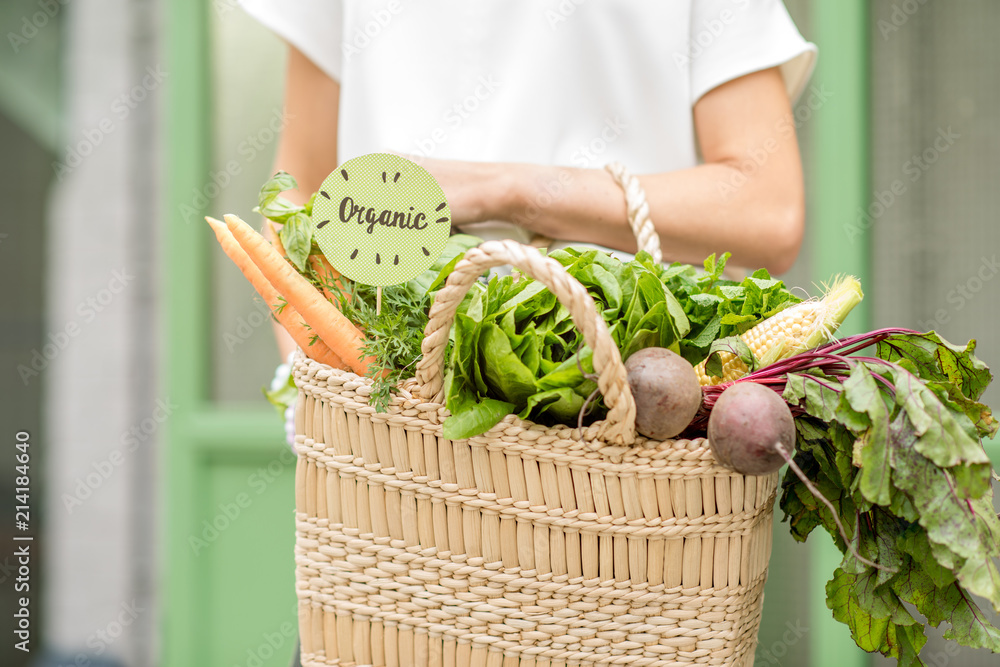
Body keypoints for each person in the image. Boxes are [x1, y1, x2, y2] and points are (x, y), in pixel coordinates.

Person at [238, 2, 816, 664]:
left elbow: (767, 207)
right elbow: (300, 201)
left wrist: (510, 191)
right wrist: (324, 391)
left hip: (615, 467)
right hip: (397, 460)